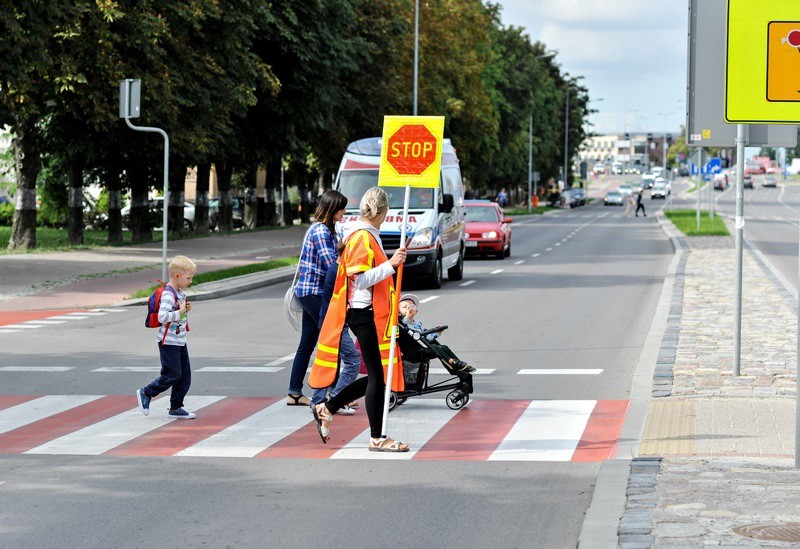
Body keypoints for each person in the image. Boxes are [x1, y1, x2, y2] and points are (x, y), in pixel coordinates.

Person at [308, 186, 409, 452]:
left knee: (378, 376)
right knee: (378, 377)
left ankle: (327, 408)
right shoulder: (363, 237)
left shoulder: (365, 234)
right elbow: (360, 279)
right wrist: (392, 264)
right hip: (362, 313)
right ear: (385, 212)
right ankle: (376, 437)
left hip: (365, 313)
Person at [286, 190, 349, 406]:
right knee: (334, 340)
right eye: (342, 208)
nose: (344, 212)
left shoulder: (326, 230)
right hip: (314, 292)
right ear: (332, 209)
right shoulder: (321, 231)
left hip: (310, 292)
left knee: (308, 343)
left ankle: (294, 392)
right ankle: (335, 393)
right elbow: (331, 264)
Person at [136, 255, 198, 419]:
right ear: (177, 276)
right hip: (168, 341)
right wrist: (180, 312)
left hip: (179, 340)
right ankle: (146, 392)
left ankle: (175, 408)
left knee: (185, 377)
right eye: (188, 278)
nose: (190, 281)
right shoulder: (169, 294)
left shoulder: (179, 292)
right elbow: (163, 317)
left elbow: (177, 313)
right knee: (172, 374)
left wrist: (184, 310)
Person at [309, 243, 361, 415]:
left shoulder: (337, 268)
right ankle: (337, 399)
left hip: (332, 322)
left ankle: (318, 401)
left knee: (329, 361)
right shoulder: (340, 271)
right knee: (353, 360)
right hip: (334, 323)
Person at [398, 294, 475, 374]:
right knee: (435, 347)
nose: (409, 308)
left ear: (416, 311)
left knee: (444, 347)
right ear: (399, 312)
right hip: (415, 350)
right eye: (405, 307)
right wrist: (407, 317)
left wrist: (437, 333)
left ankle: (458, 364)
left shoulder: (418, 324)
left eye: (411, 306)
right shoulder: (403, 324)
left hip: (424, 345)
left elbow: (427, 337)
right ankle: (451, 362)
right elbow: (407, 327)